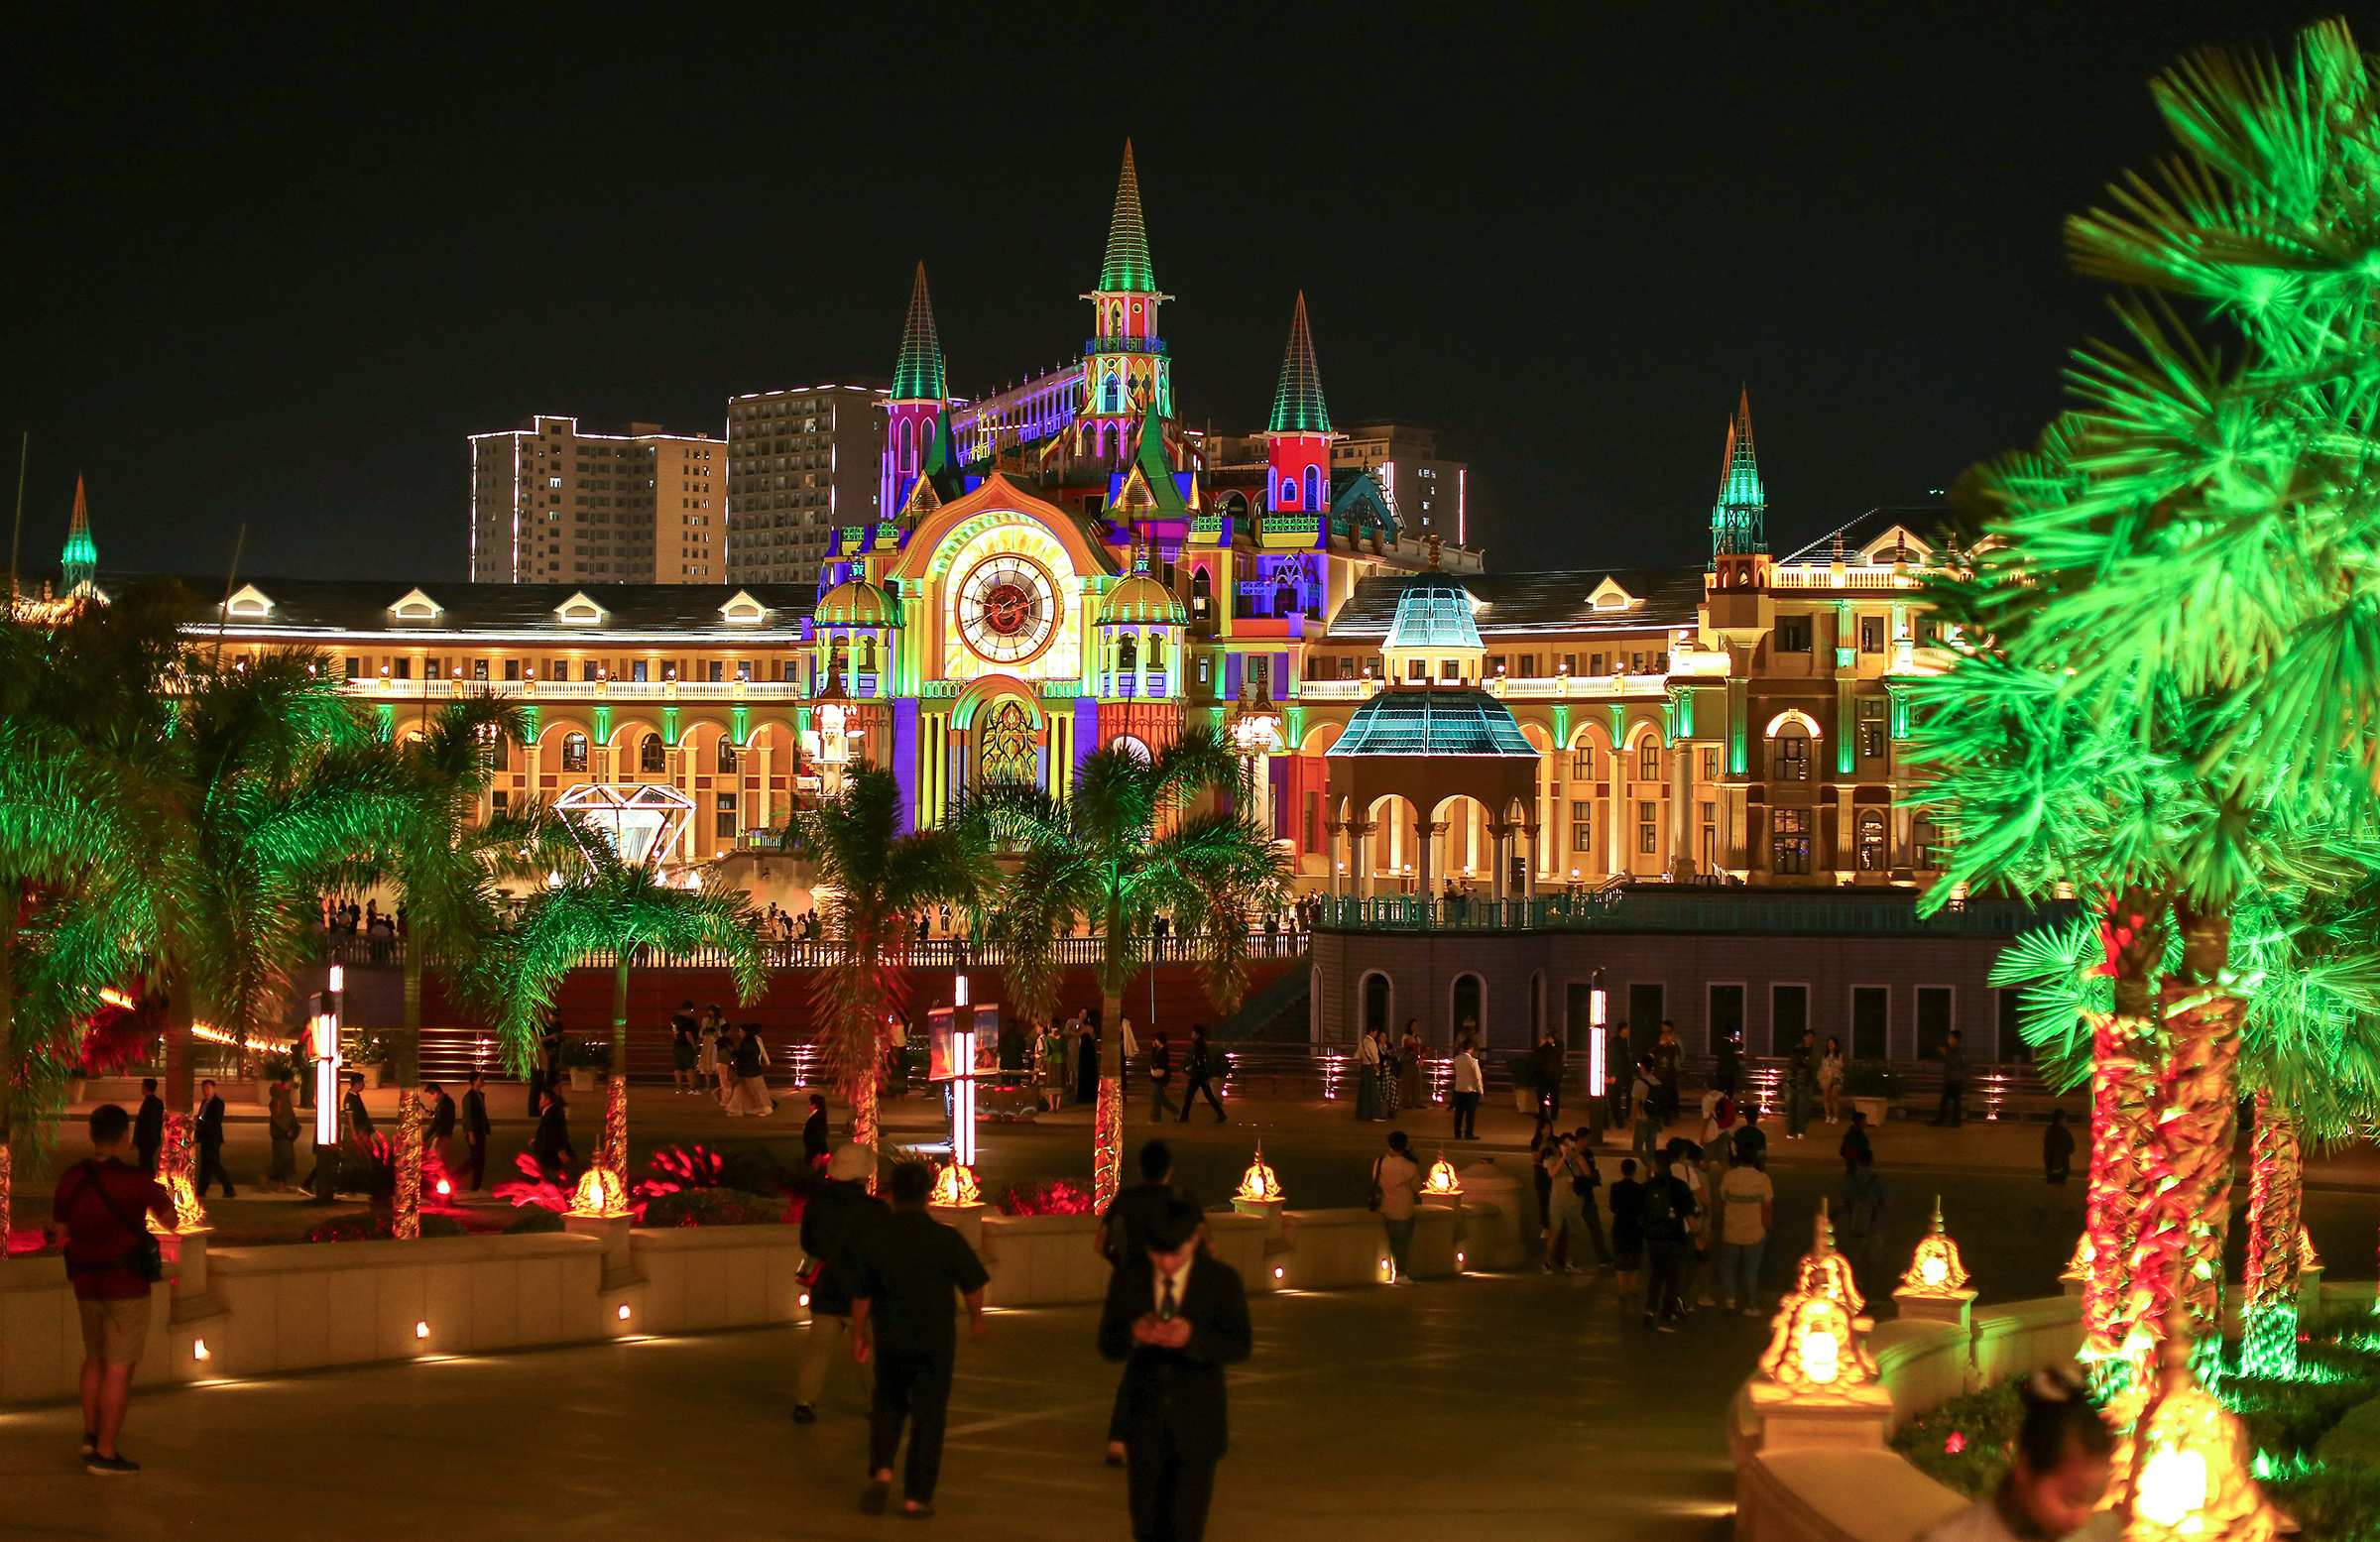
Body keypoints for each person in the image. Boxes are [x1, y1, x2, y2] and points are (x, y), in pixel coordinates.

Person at [1098, 1198, 1252, 1542]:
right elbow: (1108, 1343)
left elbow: (1240, 1345)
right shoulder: (1131, 1279)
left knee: (1186, 1528)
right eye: (1158, 1255)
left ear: (1194, 1241)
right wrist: (1133, 1334)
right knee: (1146, 1526)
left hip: (1197, 1427)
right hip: (1144, 1426)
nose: (1167, 1264)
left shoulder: (1220, 1281)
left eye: (1176, 1255)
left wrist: (1193, 1338)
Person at [852, 1161, 990, 1519]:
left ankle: (882, 1469)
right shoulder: (946, 1238)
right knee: (930, 1418)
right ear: (928, 1195)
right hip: (934, 1342)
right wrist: (976, 1319)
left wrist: (858, 1333)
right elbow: (973, 1284)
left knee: (888, 1405)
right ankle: (916, 1497)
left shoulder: (877, 1238)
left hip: (891, 1339)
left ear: (893, 1194)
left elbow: (863, 1294)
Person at [49, 1104, 175, 1475]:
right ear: (126, 1137)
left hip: (85, 1282)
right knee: (119, 1369)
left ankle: (89, 1434)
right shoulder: (136, 1181)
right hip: (126, 1285)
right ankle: (105, 1452)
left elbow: (61, 1232)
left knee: (95, 1359)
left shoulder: (71, 1178)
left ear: (91, 1135)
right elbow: (171, 1221)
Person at [1917, 1364, 2113, 1542]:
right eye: (2070, 1500)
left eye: (2094, 1498)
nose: (2082, 1518)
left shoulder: (2102, 1534)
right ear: (2024, 1469)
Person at [1097, 1139, 1202, 1465]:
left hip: (1132, 1287)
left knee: (1138, 1360)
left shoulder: (1126, 1199)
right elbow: (1205, 1244)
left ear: (1140, 1168)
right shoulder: (1182, 1199)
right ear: (1169, 1169)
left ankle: (1119, 1438)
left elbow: (1101, 1243)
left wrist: (1123, 1269)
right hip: (1171, 1291)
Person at [794, 1142, 886, 1425]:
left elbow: (807, 1242)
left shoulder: (818, 1202)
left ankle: (805, 1401)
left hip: (825, 1285)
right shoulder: (874, 1208)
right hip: (862, 1291)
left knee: (818, 1350)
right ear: (864, 1173)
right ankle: (876, 1403)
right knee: (868, 1349)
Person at [1638, 1141, 1698, 1331]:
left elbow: (1640, 1212)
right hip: (1675, 1237)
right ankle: (1666, 1314)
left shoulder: (1647, 1186)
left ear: (1655, 1165)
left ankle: (1650, 1310)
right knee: (1673, 1277)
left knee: (1655, 1275)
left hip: (1654, 1238)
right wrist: (1698, 1236)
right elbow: (1689, 1213)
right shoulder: (1679, 1186)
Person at [1717, 1146, 1775, 1315]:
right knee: (1751, 1270)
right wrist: (1768, 1225)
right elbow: (1767, 1206)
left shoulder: (1729, 1176)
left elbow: (1723, 1201)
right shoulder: (1763, 1179)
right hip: (1754, 1231)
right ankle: (1750, 1305)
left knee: (1729, 1267)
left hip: (1731, 1229)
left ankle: (1730, 1301)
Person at [1838, 1146, 1892, 1300]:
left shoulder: (1849, 1180)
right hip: (1876, 1228)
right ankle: (1872, 1294)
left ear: (1858, 1161)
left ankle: (1855, 1293)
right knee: (1874, 1262)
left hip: (1855, 1228)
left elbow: (1841, 1203)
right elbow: (1888, 1203)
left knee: (1854, 1262)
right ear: (1871, 1161)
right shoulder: (1879, 1180)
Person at [1372, 1129, 1421, 1284]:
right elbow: (1418, 1187)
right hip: (1404, 1209)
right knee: (1402, 1244)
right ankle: (1400, 1274)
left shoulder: (1380, 1162)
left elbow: (1375, 1179)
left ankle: (1392, 1272)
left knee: (1390, 1243)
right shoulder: (1409, 1167)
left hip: (1385, 1207)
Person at [1607, 1157, 1645, 1300]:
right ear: (1634, 1171)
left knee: (1619, 1258)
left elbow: (1612, 1207)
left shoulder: (1615, 1187)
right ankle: (1632, 1288)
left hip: (1620, 1223)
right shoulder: (1640, 1188)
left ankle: (1622, 1290)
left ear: (1622, 1170)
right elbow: (1642, 1208)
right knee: (1635, 1258)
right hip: (1635, 1225)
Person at [192, 1079, 235, 1199]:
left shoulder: (218, 1103)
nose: (206, 1091)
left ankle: (228, 1188)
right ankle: (201, 1190)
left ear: (213, 1089)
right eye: (204, 1089)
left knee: (213, 1164)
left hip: (213, 1138)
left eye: (208, 1089)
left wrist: (200, 1121)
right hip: (205, 1137)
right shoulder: (205, 1102)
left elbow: (215, 1121)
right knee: (206, 1164)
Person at [264, 1066, 300, 1193]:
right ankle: (267, 1176)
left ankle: (281, 1185)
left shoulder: (284, 1093)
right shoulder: (279, 1095)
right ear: (289, 1079)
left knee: (285, 1158)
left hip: (285, 1130)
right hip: (281, 1132)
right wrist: (286, 1130)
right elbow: (278, 1114)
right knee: (285, 1157)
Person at [1179, 1024, 1225, 1123]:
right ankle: (1221, 1114)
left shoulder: (1198, 1044)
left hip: (1197, 1075)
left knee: (1189, 1096)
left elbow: (1198, 1060)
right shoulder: (1200, 1044)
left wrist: (1190, 1070)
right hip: (1200, 1074)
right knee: (1207, 1095)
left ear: (1197, 1034)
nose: (1192, 1033)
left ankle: (1184, 1117)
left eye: (1193, 1032)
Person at [533, 1083, 575, 1182]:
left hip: (550, 1153)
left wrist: (560, 1150)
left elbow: (558, 1132)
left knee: (551, 1176)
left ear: (547, 1100)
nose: (539, 1101)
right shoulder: (549, 1112)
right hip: (547, 1152)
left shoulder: (553, 1113)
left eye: (541, 1098)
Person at [461, 1071, 491, 1191]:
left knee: (480, 1160)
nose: (482, 1080)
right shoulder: (469, 1097)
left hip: (481, 1131)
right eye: (480, 1079)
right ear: (474, 1082)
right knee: (475, 1160)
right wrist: (470, 1133)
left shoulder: (480, 1095)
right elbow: (467, 1116)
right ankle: (455, 1177)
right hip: (474, 1132)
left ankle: (476, 1185)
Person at [1934, 1028, 1968, 1128]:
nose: (1949, 1040)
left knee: (1955, 1101)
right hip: (1950, 1078)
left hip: (1956, 1078)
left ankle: (1953, 1122)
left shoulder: (1959, 1050)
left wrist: (1945, 1053)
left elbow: (1954, 1062)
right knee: (1946, 1100)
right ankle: (1943, 1120)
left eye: (1951, 1038)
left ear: (1956, 1039)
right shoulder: (1952, 1050)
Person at [1449, 1039, 1483, 1140]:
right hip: (1470, 1090)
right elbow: (1477, 1077)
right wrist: (1480, 1090)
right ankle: (1469, 1133)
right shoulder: (1473, 1061)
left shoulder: (1457, 1059)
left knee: (1458, 1113)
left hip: (1458, 1088)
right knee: (1470, 1114)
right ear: (1471, 1049)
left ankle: (1457, 1133)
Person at [132, 1080, 166, 1177]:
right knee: (148, 1161)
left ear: (145, 1089)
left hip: (146, 1139)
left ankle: (148, 1181)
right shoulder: (158, 1103)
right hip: (154, 1138)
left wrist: (136, 1141)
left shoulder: (147, 1103)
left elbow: (142, 1123)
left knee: (144, 1162)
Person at [1785, 1031, 1815, 1139]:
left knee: (1795, 1109)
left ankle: (1793, 1131)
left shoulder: (1791, 1067)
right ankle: (1797, 1131)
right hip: (1800, 1086)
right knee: (1799, 1109)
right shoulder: (1801, 1066)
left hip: (1797, 1086)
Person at [1631, 1061, 1663, 1156]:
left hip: (1642, 1118)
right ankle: (1652, 1167)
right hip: (1654, 1118)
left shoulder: (1639, 1082)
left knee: (1637, 1148)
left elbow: (1635, 1104)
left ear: (1643, 1067)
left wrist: (1631, 1120)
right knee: (1651, 1149)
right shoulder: (1657, 1082)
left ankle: (1646, 1167)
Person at [1532, 1027, 1565, 1123]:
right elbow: (1535, 1053)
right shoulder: (1544, 1044)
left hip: (1555, 1074)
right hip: (1543, 1073)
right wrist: (1540, 1045)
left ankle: (1554, 1115)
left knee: (1554, 1095)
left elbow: (1560, 1052)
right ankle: (1542, 1113)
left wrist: (1553, 1044)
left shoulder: (1559, 1043)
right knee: (1540, 1094)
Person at [1146, 1028, 1179, 1121]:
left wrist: (1154, 1065)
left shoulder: (1163, 1051)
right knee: (1159, 1097)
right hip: (1160, 1077)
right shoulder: (1161, 1050)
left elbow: (1160, 1062)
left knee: (1157, 1097)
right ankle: (1175, 1110)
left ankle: (1156, 1117)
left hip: (1161, 1077)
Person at [1652, 1021, 1682, 1124]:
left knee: (1667, 1097)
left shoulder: (1671, 1049)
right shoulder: (1658, 1049)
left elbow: (1678, 1052)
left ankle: (1667, 1118)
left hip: (1669, 1075)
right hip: (1658, 1075)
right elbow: (1650, 1052)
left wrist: (1672, 1042)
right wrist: (1659, 1044)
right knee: (1658, 1097)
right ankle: (1657, 1117)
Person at [669, 1001, 700, 1095]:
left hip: (677, 1045)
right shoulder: (688, 1021)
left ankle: (679, 1088)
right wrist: (694, 1045)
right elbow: (688, 1034)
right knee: (689, 1067)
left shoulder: (675, 1019)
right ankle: (692, 1088)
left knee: (678, 1067)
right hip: (687, 1046)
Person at [425, 1081, 456, 1174]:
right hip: (446, 1134)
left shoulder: (442, 1104)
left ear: (436, 1092)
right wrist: (434, 1114)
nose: (430, 1099)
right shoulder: (448, 1101)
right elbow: (443, 1117)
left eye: (430, 1096)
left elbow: (437, 1122)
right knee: (440, 1160)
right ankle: (445, 1181)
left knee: (436, 1161)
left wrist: (425, 1137)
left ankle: (443, 1181)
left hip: (441, 1136)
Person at [1355, 1025, 1382, 1122]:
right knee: (1373, 1091)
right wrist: (1377, 1066)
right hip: (1371, 1068)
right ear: (1372, 1032)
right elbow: (1376, 1058)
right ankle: (1374, 1114)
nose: (1376, 1034)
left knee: (1364, 1092)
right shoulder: (1372, 1043)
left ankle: (1362, 1113)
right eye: (1375, 1032)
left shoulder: (1362, 1042)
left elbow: (1357, 1056)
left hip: (1364, 1068)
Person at [1397, 1021, 1426, 1111]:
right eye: (1413, 1026)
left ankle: (1417, 1101)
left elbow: (1420, 1049)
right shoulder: (1406, 1036)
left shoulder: (1418, 1038)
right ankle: (1405, 1102)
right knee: (1407, 1082)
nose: (1415, 1027)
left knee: (1417, 1082)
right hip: (1407, 1062)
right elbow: (1407, 1043)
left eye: (1416, 1026)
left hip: (1415, 1062)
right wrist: (1413, 1035)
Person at [2044, 1108, 2076, 1188]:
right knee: (2059, 1188)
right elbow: (2071, 1148)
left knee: (2051, 1187)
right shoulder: (2064, 1132)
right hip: (2061, 1164)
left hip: (2051, 1163)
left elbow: (2047, 1147)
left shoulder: (2049, 1131)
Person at [1818, 1034, 1846, 1125]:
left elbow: (1840, 1065)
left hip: (1835, 1077)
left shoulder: (1839, 1055)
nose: (1830, 1045)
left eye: (1832, 1043)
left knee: (1834, 1097)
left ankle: (1835, 1116)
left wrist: (1834, 1066)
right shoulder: (1825, 1055)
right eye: (1829, 1043)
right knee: (1826, 1097)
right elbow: (1822, 1066)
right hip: (1826, 1077)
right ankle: (1828, 1115)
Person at [1732, 1107, 1769, 1171]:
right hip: (1754, 1159)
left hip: (1741, 1158)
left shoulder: (1739, 1132)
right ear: (1756, 1117)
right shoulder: (1759, 1134)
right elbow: (1762, 1151)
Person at [342, 1073, 374, 1142]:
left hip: (361, 1128)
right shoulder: (350, 1098)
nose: (363, 1086)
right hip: (358, 1129)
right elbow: (349, 1117)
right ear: (357, 1084)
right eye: (362, 1084)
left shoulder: (356, 1095)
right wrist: (354, 1134)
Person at [803, 1093, 831, 1164]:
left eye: (809, 1103)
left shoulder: (816, 1117)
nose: (807, 1105)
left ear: (814, 1105)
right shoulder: (818, 1115)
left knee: (812, 1162)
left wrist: (824, 1151)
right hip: (813, 1144)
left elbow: (818, 1133)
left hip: (814, 1145)